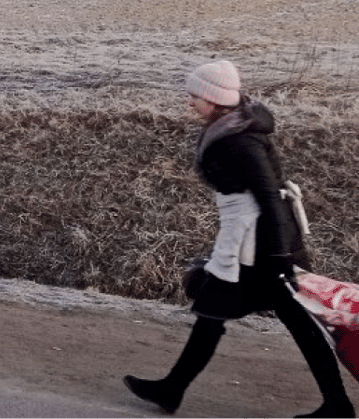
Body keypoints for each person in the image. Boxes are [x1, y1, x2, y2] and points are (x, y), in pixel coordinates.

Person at [124, 61, 354, 419]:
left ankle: (337, 407)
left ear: (215, 99)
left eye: (195, 96)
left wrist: (280, 256)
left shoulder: (241, 140)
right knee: (212, 314)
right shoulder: (231, 128)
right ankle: (171, 389)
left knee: (299, 325)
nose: (190, 102)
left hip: (262, 248)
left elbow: (267, 195)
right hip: (248, 242)